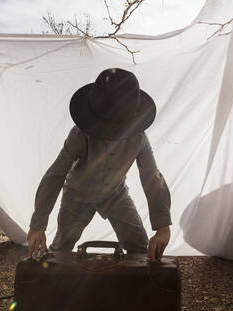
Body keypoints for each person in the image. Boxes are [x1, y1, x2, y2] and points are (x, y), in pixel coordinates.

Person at [27, 68, 171, 261]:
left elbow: (152, 177)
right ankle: (55, 284)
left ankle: (137, 287)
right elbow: (56, 174)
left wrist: (163, 228)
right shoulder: (79, 134)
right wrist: (37, 226)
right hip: (77, 195)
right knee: (62, 247)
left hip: (116, 194)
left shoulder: (138, 138)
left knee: (140, 248)